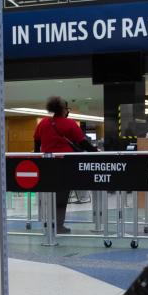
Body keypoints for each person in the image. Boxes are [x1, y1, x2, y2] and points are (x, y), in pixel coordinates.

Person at [33, 96, 97, 233]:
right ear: (63, 109)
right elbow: (83, 143)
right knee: (62, 197)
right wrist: (97, 151)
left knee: (49, 195)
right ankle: (58, 226)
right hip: (64, 165)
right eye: (67, 109)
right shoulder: (70, 124)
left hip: (47, 164)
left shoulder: (43, 123)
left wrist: (38, 155)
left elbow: (36, 142)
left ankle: (49, 224)